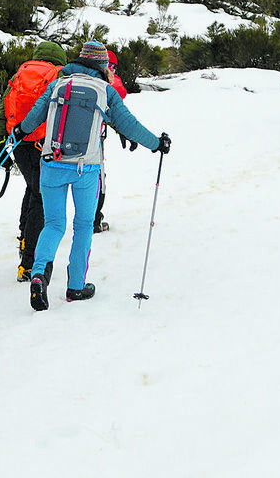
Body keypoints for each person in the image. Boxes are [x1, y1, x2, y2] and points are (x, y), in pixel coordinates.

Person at [11, 40, 169, 311]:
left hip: (51, 163)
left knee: (54, 225)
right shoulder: (106, 91)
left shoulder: (58, 84)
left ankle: (39, 276)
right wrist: (156, 143)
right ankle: (75, 287)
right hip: (86, 169)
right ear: (101, 65)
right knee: (83, 226)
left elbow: (33, 117)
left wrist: (20, 131)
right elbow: (129, 125)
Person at [2, 39, 68, 282]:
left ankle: (24, 237)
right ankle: (29, 263)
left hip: (20, 142)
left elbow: (3, 110)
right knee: (41, 199)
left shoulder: (21, 73)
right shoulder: (58, 76)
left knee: (33, 189)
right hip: (44, 144)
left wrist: (1, 142)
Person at [93, 47, 131, 234]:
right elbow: (119, 93)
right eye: (112, 66)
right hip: (94, 139)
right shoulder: (106, 83)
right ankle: (94, 220)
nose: (113, 70)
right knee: (98, 178)